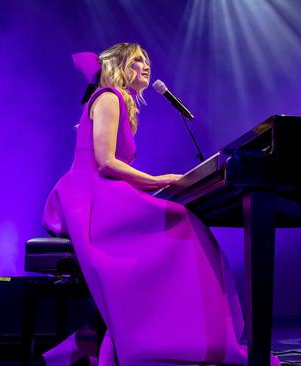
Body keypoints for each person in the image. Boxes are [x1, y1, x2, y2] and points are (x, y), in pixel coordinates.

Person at [42, 43, 280, 365]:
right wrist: (159, 180)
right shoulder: (109, 97)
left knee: (182, 223)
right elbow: (105, 162)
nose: (146, 65)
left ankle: (183, 336)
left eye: (147, 60)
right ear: (120, 65)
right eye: (138, 60)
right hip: (89, 197)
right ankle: (174, 339)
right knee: (181, 223)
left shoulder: (119, 103)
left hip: (103, 193)